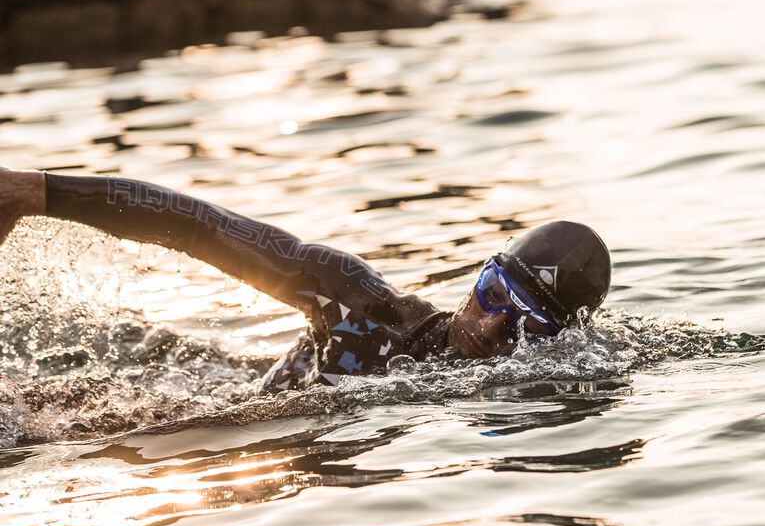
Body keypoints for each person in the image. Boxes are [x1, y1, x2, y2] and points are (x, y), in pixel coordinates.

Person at [0, 167, 611, 392]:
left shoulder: (546, 383)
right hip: (228, 403)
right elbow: (203, 228)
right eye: (493, 297)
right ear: (481, 276)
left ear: (558, 340)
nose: (491, 326)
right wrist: (34, 192)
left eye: (525, 323)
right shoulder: (361, 305)